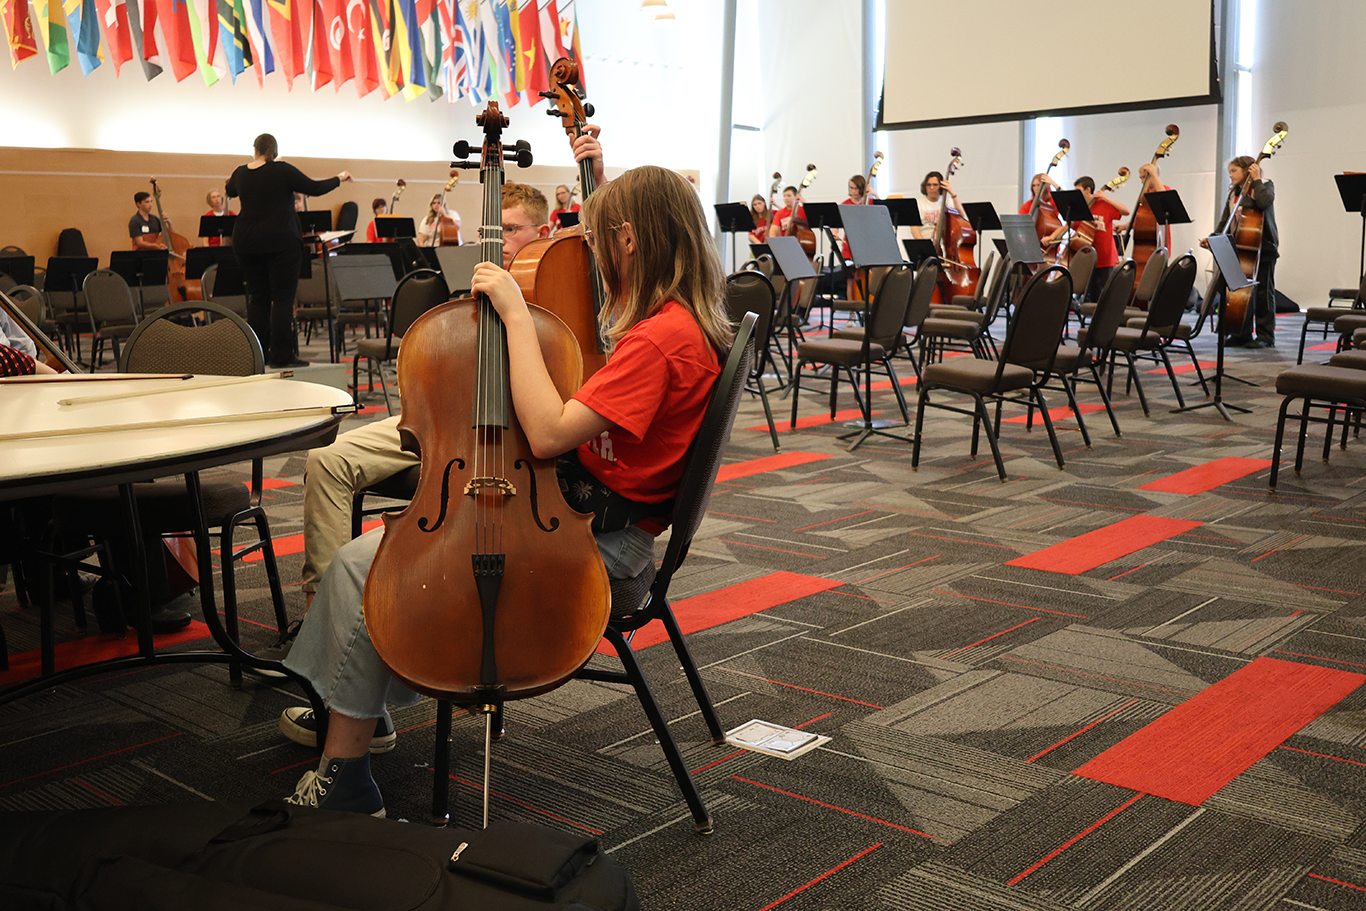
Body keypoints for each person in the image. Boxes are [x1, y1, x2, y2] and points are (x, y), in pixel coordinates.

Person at [277, 164, 731, 817]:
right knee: (395, 551)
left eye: (601, 240)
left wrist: (517, 314)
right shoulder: (678, 324)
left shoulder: (661, 340)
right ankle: (357, 712)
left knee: (365, 563)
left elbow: (547, 435)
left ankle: (346, 775)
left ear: (630, 240)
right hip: (601, 523)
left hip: (605, 553)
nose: (596, 255)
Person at [270, 125, 604, 667]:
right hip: (447, 421)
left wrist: (595, 177)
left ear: (543, 231)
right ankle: (323, 610)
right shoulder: (485, 281)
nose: (495, 244)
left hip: (517, 438)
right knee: (327, 463)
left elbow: (601, 248)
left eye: (512, 232)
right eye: (489, 232)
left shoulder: (561, 280)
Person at [226, 133, 352, 369]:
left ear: (255, 149)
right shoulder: (282, 170)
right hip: (281, 241)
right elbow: (314, 188)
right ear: (274, 150)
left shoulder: (240, 172)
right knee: (283, 299)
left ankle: (257, 355)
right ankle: (282, 355)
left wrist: (233, 178)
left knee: (259, 299)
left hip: (246, 242)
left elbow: (230, 190)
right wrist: (339, 178)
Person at [1204, 156, 1278, 348]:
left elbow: (1264, 202)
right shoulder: (1234, 193)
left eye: (1234, 171)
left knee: (1263, 293)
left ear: (1247, 170)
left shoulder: (1264, 186)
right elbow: (1225, 222)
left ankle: (1266, 336)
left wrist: (1256, 179)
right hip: (1238, 248)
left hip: (1263, 248)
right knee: (1239, 293)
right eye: (1229, 171)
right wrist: (1212, 238)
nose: (1230, 175)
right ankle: (1240, 334)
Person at [1073, 176, 1130, 300]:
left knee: (1108, 293)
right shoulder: (1082, 208)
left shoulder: (1103, 204)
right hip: (1089, 257)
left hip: (1107, 256)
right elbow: (1072, 225)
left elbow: (1126, 211)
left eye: (1079, 190)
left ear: (1088, 190)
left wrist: (1107, 198)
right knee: (1093, 294)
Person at [912, 171, 959, 241]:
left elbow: (961, 215)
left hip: (945, 244)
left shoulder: (947, 202)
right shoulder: (918, 204)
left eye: (935, 185)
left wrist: (953, 193)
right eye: (928, 185)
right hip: (926, 242)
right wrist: (924, 245)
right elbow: (914, 229)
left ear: (941, 186)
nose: (931, 188)